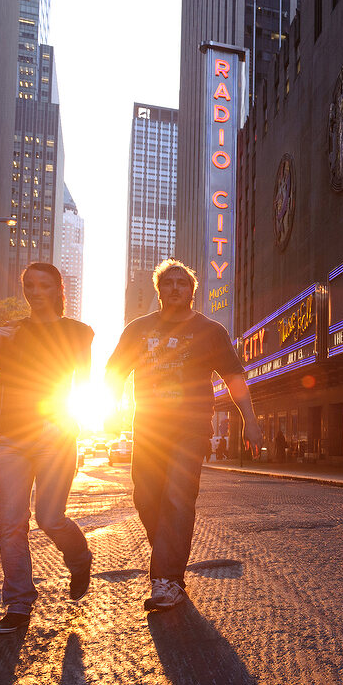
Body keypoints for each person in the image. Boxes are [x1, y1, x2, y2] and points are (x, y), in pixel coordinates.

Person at [106, 259, 263, 612]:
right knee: (146, 498)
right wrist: (110, 410)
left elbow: (234, 378)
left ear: (192, 291)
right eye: (169, 283)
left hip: (191, 428)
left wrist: (250, 420)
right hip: (148, 428)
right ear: (159, 290)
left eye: (182, 283)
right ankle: (169, 560)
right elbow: (114, 372)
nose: (176, 288)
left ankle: (166, 578)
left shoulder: (210, 331)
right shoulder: (138, 329)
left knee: (177, 498)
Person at [0, 262, 94, 635]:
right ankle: (18, 603)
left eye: (43, 285)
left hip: (54, 434)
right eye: (28, 285)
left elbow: (83, 380)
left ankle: (79, 558)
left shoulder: (79, 331)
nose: (34, 291)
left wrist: (68, 423)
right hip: (10, 438)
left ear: (58, 289)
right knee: (11, 524)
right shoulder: (10, 331)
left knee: (49, 518)